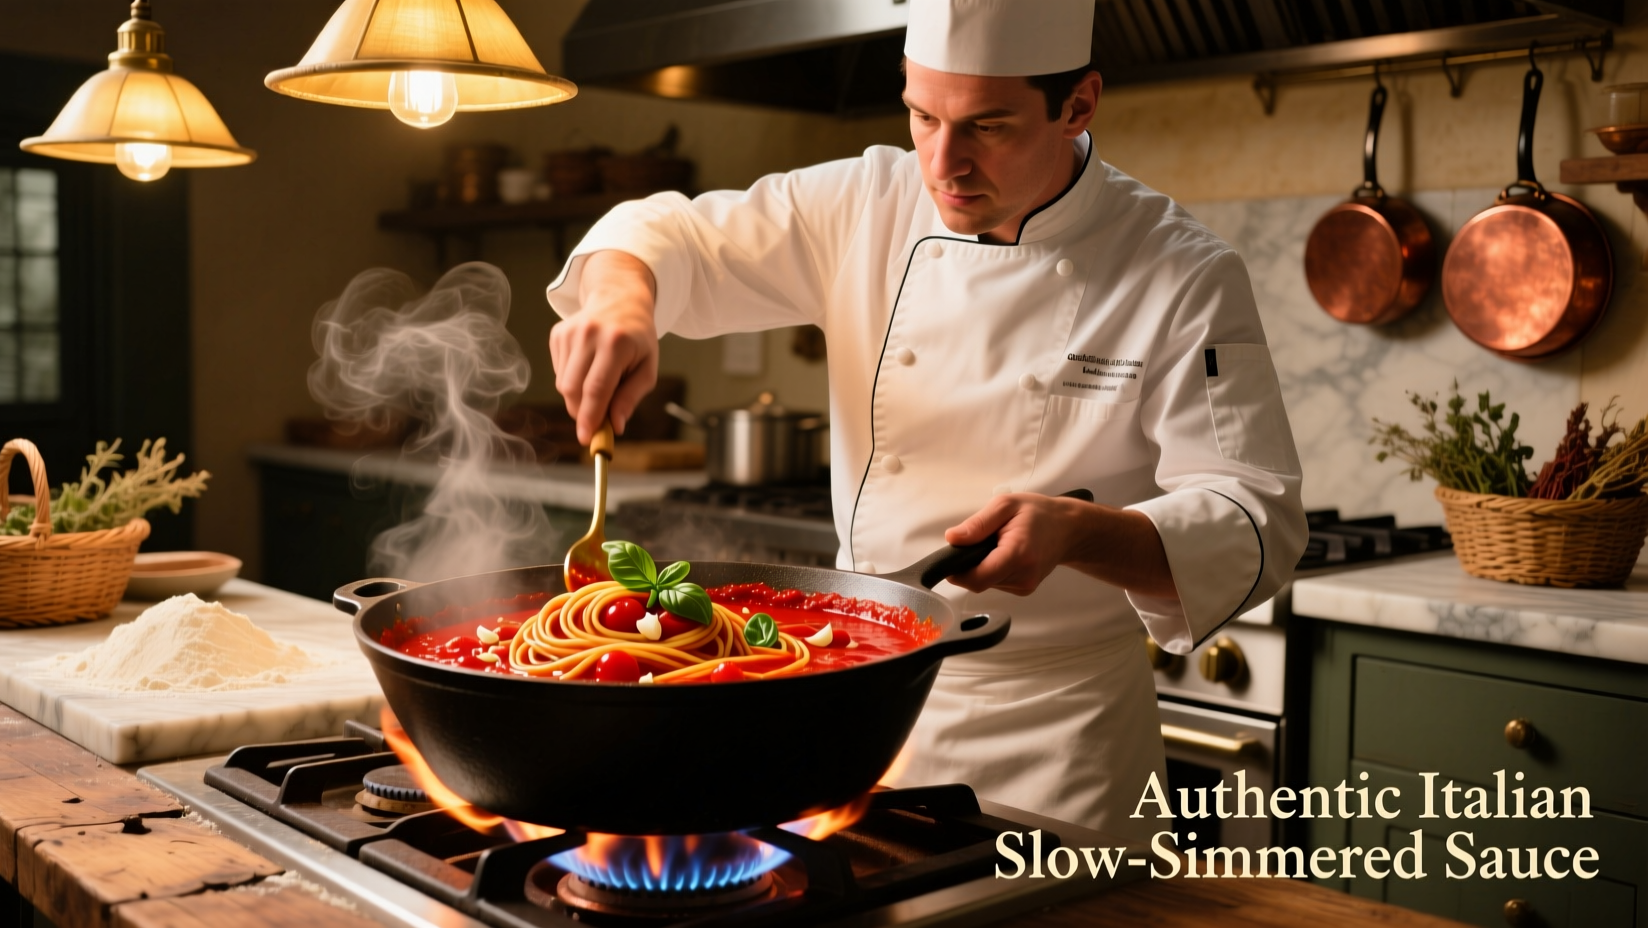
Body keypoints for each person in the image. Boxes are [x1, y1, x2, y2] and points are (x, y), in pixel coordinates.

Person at [547, 0, 1306, 842]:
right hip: (856, 710)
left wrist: (1083, 534)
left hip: (1057, 745)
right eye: (922, 116)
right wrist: (623, 305)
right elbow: (668, 231)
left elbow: (1256, 515)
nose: (945, 163)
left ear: (1078, 106)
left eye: (989, 126)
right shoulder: (866, 200)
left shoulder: (1179, 271)